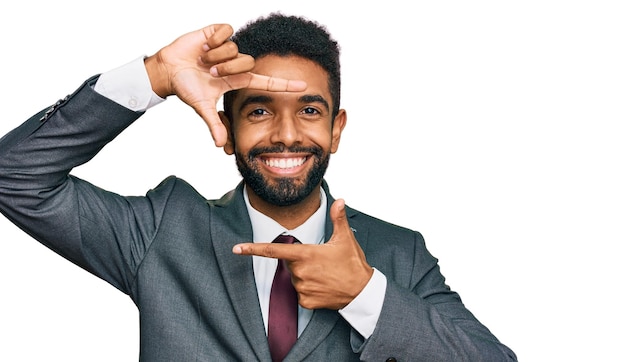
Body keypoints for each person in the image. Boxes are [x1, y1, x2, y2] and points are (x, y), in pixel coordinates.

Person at [0, 13, 516, 361]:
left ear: (336, 129)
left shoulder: (397, 252)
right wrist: (155, 75)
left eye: (309, 111)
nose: (287, 134)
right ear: (226, 129)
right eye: (260, 110)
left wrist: (363, 294)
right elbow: (15, 177)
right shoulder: (161, 230)